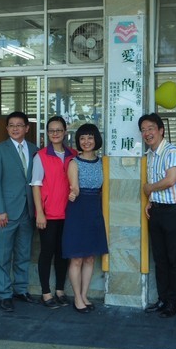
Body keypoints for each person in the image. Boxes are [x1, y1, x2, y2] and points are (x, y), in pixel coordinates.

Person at [0, 111, 38, 312]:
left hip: (28, 211)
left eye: (20, 125)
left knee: (24, 253)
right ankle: (4, 293)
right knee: (3, 255)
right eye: (11, 125)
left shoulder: (35, 150)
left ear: (27, 128)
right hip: (5, 212)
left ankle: (21, 289)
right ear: (7, 129)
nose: (15, 128)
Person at [140, 113, 176, 318]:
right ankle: (163, 298)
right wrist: (150, 201)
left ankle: (174, 302)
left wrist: (148, 188)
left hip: (174, 211)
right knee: (160, 258)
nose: (147, 133)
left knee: (174, 258)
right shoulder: (149, 154)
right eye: (143, 130)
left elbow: (170, 180)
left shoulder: (171, 151)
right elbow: (158, 183)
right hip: (157, 210)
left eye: (151, 128)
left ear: (161, 130)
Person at [31, 116, 77, 309]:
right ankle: (45, 292)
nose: (55, 134)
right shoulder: (40, 156)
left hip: (68, 213)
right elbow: (35, 185)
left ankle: (59, 290)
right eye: (51, 131)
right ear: (47, 133)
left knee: (62, 253)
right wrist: (39, 212)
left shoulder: (72, 154)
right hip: (48, 214)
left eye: (59, 130)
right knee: (47, 252)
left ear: (65, 132)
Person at [62, 123, 108, 314]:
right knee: (77, 259)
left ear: (96, 139)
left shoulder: (102, 162)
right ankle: (77, 298)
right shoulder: (74, 162)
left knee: (90, 257)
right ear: (78, 142)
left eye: (90, 137)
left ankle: (85, 294)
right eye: (82, 138)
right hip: (78, 210)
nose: (86, 141)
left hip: (94, 211)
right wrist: (73, 193)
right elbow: (74, 187)